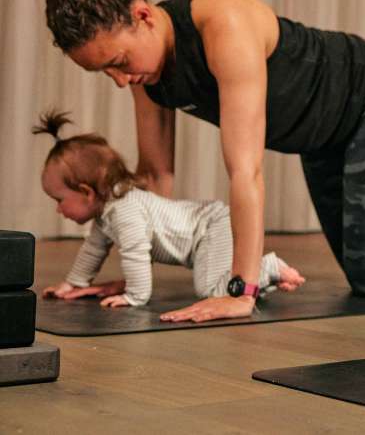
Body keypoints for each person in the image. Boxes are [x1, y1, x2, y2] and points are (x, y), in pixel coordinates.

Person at [28, 0, 365, 322]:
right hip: (318, 135)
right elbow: (153, 181)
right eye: (106, 73)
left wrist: (240, 291)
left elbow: (245, 170)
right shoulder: (146, 76)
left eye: (120, 63)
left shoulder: (223, 24)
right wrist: (131, 278)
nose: (121, 80)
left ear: (143, 16)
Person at [35, 111, 306, 307]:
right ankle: (265, 276)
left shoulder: (124, 212)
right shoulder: (106, 215)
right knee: (217, 282)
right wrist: (73, 283)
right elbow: (92, 250)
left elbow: (136, 255)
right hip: (209, 226)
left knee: (209, 289)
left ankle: (267, 267)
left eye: (59, 200)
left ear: (86, 192)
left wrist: (135, 296)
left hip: (209, 228)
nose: (59, 210)